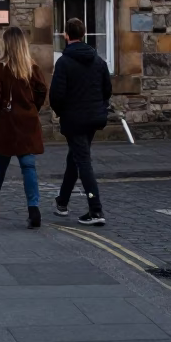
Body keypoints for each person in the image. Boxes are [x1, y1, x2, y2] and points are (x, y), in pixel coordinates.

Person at [0, 27, 49, 229]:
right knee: (28, 166)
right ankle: (33, 208)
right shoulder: (32, 67)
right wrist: (32, 109)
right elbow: (42, 90)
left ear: (6, 44)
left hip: (7, 122)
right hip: (27, 122)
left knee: (0, 165)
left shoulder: (0, 68)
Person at [49, 17, 111, 226]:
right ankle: (62, 202)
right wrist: (99, 107)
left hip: (74, 119)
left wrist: (61, 112)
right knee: (75, 158)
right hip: (93, 117)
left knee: (83, 161)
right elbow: (107, 90)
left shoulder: (64, 62)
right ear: (83, 34)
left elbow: (56, 95)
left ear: (66, 35)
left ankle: (96, 209)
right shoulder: (99, 61)